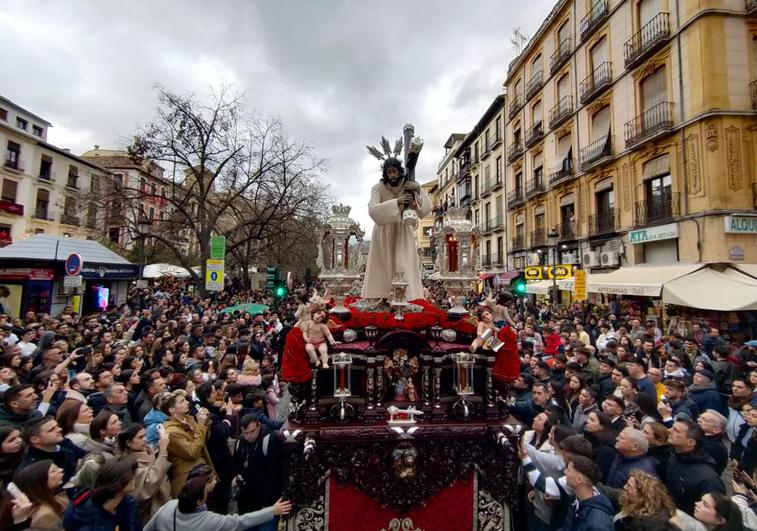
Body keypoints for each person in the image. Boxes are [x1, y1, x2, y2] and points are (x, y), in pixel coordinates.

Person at [361, 156, 431, 301]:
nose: (392, 175)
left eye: (394, 171)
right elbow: (373, 210)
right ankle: (381, 297)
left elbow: (424, 211)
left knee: (403, 263)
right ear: (385, 174)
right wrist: (397, 202)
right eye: (389, 172)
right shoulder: (378, 188)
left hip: (403, 231)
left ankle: (406, 297)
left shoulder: (409, 185)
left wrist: (418, 190)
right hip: (383, 233)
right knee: (382, 266)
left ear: (400, 171)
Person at [143, 473, 292, 531]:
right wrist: (272, 511)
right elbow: (240, 522)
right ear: (200, 502)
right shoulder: (208, 520)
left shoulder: (169, 506)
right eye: (205, 493)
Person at [232, 414, 285, 530]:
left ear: (259, 426)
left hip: (266, 502)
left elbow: (276, 473)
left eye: (252, 432)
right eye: (245, 433)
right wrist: (236, 477)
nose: (249, 436)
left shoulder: (270, 440)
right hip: (246, 502)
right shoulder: (239, 442)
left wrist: (269, 501)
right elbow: (236, 465)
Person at [62, 456, 141, 531]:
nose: (135, 477)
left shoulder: (128, 503)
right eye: (132, 474)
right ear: (118, 482)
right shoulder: (88, 518)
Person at [665, 419, 725, 514]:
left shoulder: (708, 478)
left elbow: (715, 512)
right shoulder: (674, 456)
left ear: (691, 442)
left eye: (676, 430)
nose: (669, 430)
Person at [161, 390, 214, 496]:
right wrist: (201, 426)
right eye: (181, 401)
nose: (187, 402)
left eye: (185, 399)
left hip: (203, 473)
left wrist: (205, 423)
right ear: (171, 409)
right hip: (188, 479)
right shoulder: (171, 432)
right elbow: (193, 452)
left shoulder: (189, 420)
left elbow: (203, 442)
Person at [117, 422, 171, 523]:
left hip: (162, 504)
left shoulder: (148, 450)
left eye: (145, 435)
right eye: (140, 437)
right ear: (128, 442)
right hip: (151, 512)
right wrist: (163, 451)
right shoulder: (130, 463)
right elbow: (150, 484)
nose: (145, 439)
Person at [613, 470, 677, 530]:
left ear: (642, 495)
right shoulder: (635, 504)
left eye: (629, 486)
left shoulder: (645, 526)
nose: (624, 487)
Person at [14, 459, 68, 529]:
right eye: (53, 471)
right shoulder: (45, 514)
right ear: (40, 481)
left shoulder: (57, 494)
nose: (61, 470)